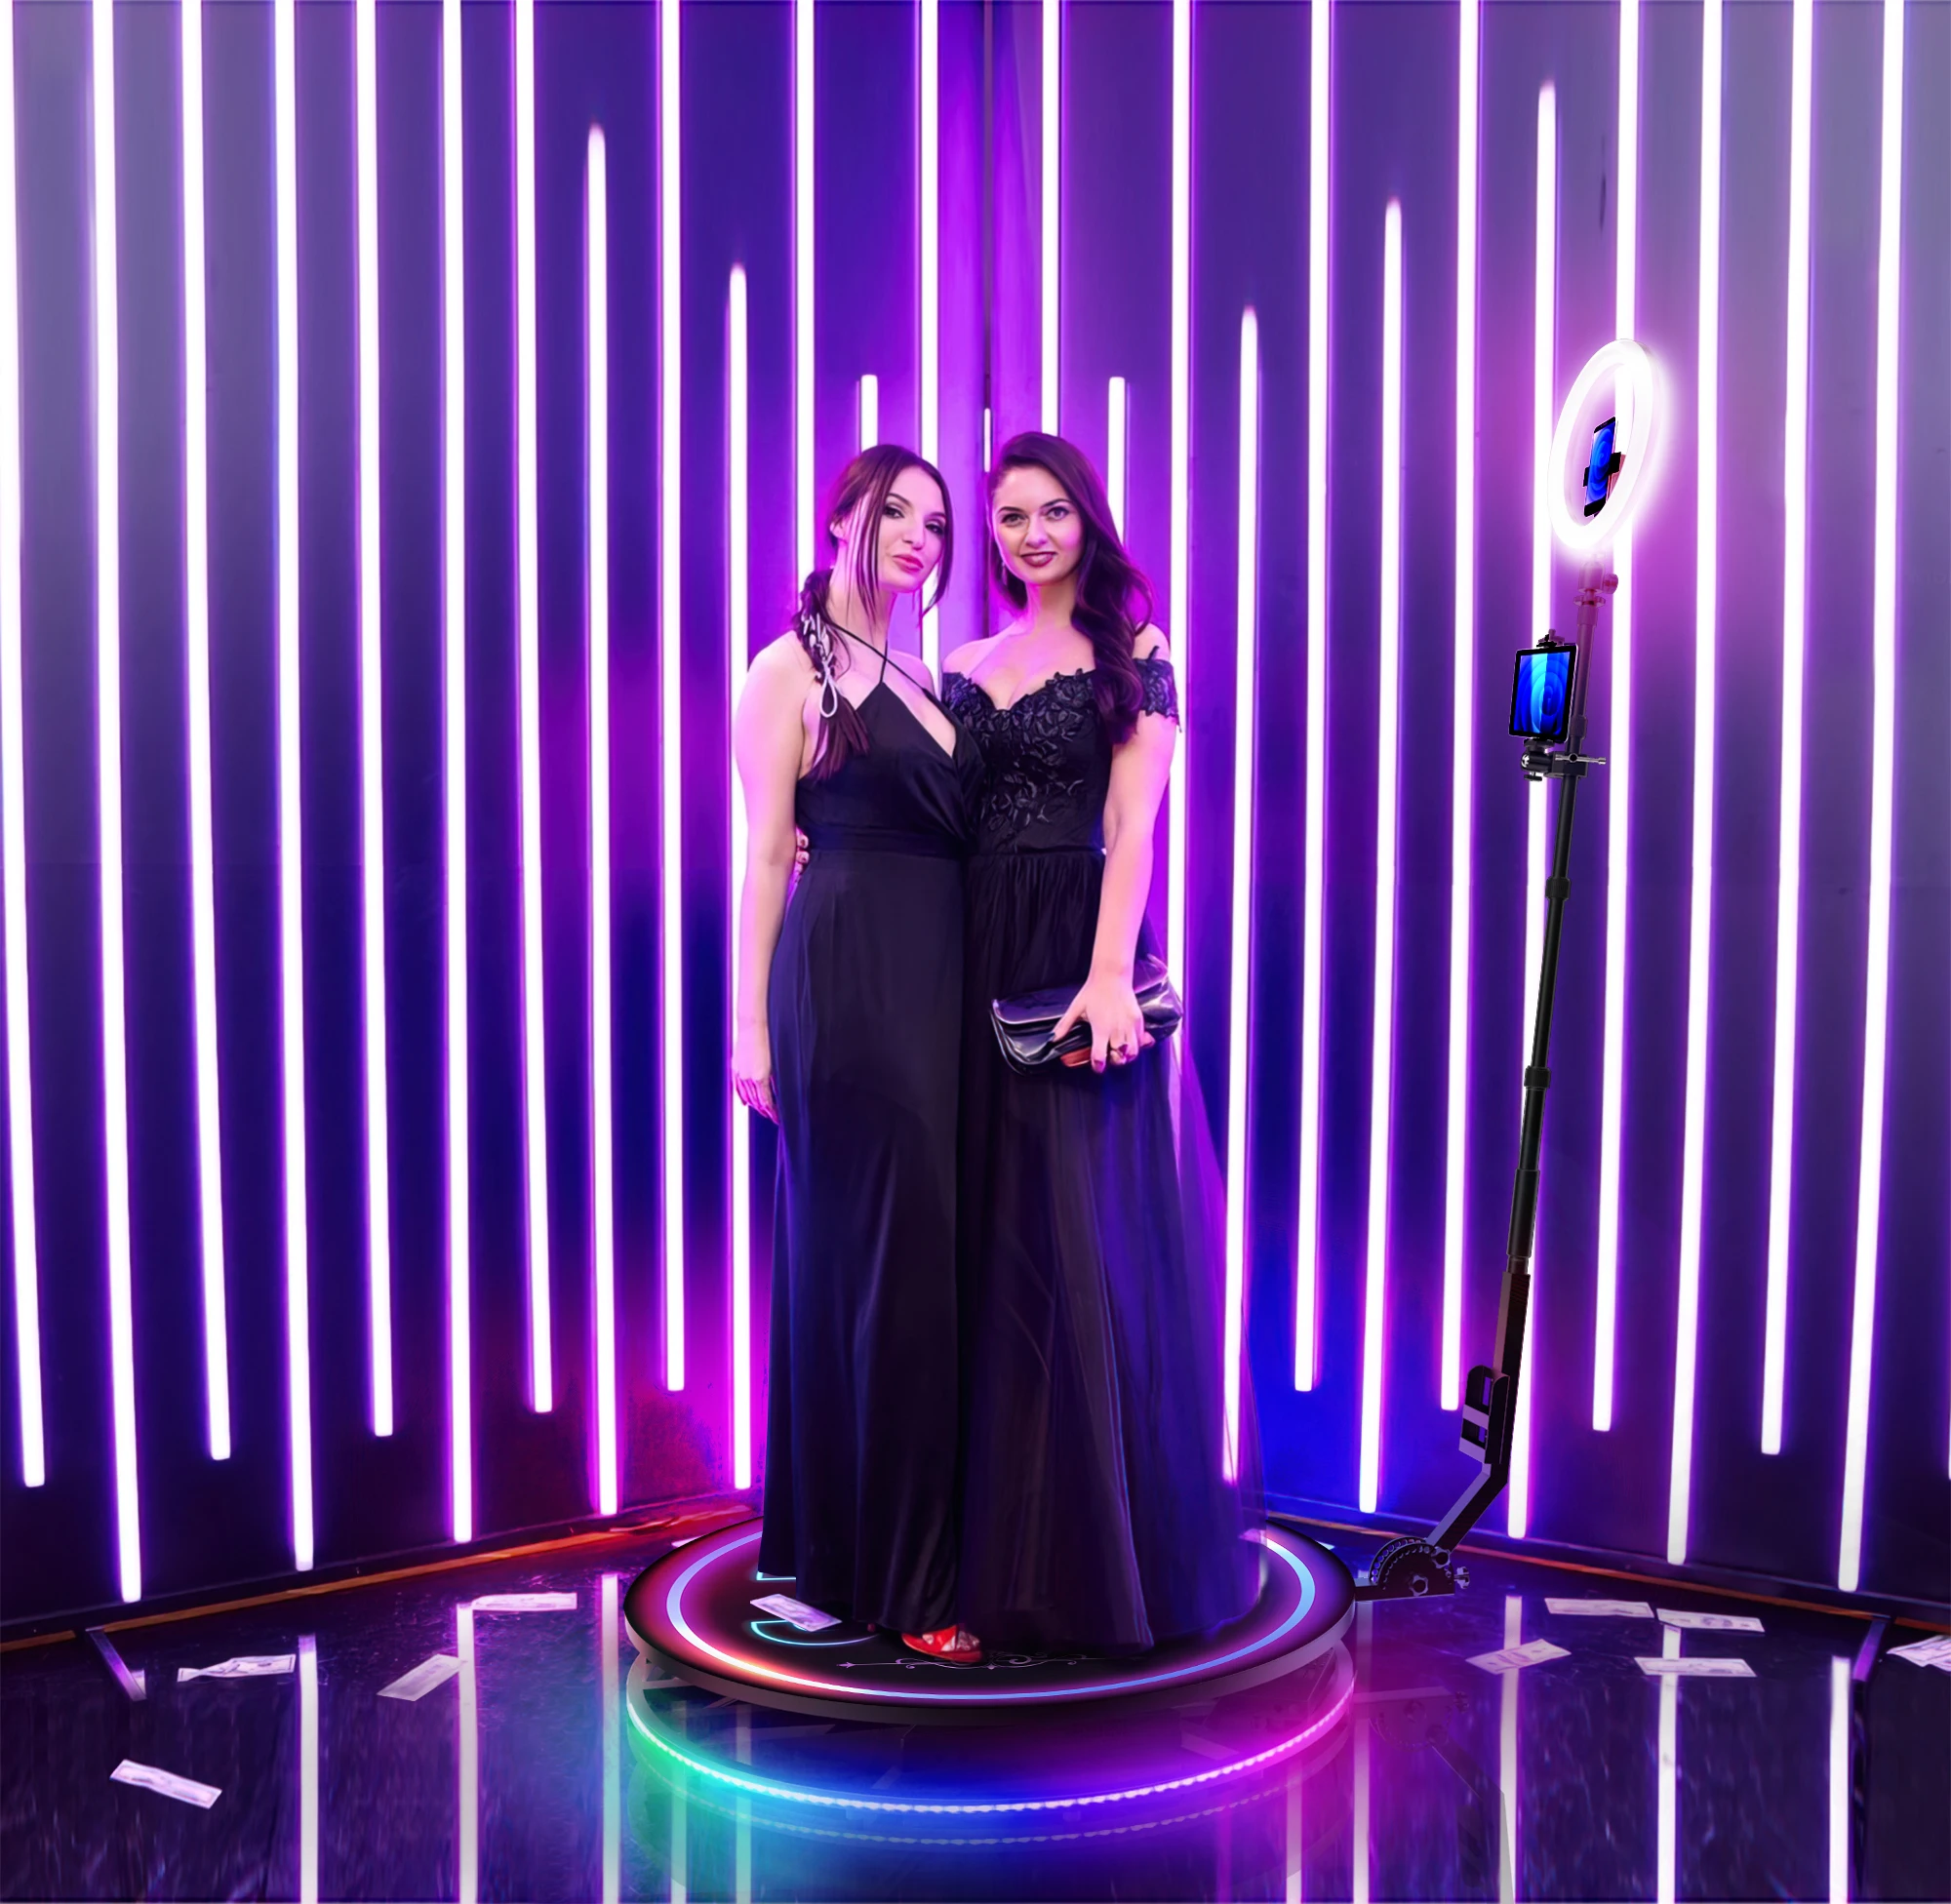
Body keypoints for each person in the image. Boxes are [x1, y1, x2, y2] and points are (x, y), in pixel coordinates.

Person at [941, 431, 1258, 1659]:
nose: (1030, 534)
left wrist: (1109, 973)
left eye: (1052, 511)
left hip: (1078, 954)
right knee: (988, 1249)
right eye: (1009, 516)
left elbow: (1133, 826)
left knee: (1079, 1247)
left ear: (1087, 518)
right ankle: (978, 1554)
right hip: (965, 953)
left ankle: (1096, 1571)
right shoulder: (960, 660)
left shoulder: (1137, 652)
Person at [732, 445, 980, 1652]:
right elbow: (763, 852)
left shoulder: (930, 672)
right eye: (897, 513)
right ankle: (887, 1582)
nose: (920, 537)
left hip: (943, 990)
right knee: (871, 1273)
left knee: (915, 1274)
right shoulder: (787, 666)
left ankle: (861, 1559)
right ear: (841, 517)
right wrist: (747, 1025)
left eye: (936, 522)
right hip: (848, 988)